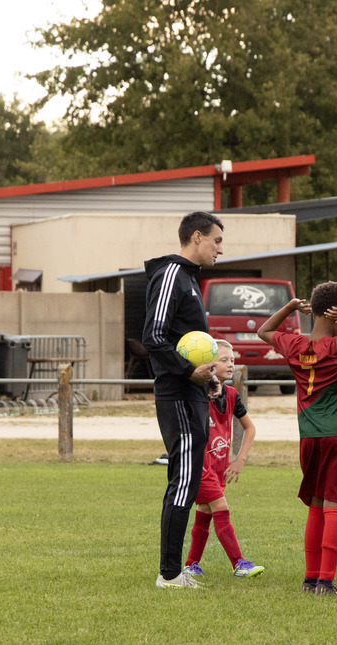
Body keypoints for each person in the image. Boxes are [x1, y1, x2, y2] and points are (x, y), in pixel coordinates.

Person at [257, 282, 337, 595]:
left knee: (316, 504)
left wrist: (290, 307)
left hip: (309, 438)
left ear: (312, 312)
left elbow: (264, 331)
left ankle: (310, 579)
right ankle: (326, 582)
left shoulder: (295, 345)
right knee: (334, 504)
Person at [144, 211, 224, 589]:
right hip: (177, 395)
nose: (220, 249)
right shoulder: (171, 275)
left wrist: (207, 379)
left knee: (188, 483)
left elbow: (185, 343)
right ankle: (170, 574)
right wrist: (188, 372)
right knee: (184, 482)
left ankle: (172, 572)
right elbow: (153, 336)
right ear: (196, 237)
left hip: (192, 392)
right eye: (216, 241)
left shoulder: (189, 279)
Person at [182, 341, 264, 578]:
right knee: (220, 507)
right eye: (224, 360)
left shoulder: (231, 395)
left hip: (218, 467)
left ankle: (191, 565)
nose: (230, 365)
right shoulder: (196, 393)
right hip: (200, 467)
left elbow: (250, 428)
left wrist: (240, 459)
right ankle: (239, 563)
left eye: (233, 360)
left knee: (205, 510)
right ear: (208, 364)